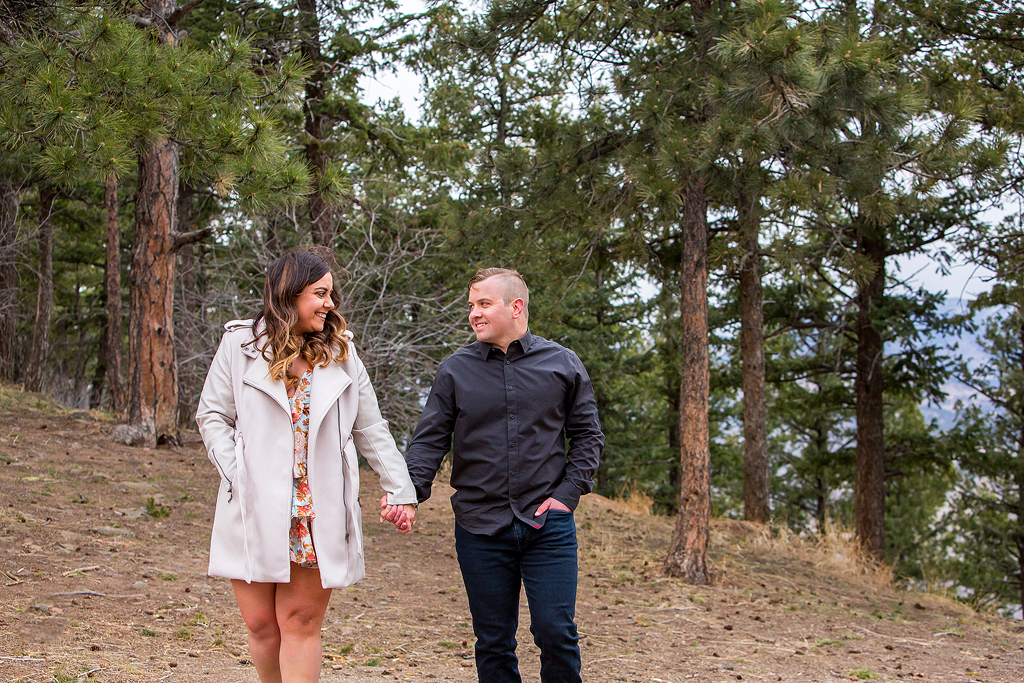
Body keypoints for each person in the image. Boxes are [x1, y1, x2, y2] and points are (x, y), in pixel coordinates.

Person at [196, 247, 417, 683]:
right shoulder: (239, 345)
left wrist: (401, 490)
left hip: (314, 512)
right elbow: (212, 416)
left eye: (330, 294)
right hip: (253, 505)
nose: (329, 304)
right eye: (320, 293)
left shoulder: (342, 354)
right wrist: (237, 473)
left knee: (298, 621)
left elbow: (371, 428)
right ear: (290, 294)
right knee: (261, 625)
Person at [386, 267, 604, 683]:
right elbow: (429, 441)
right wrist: (408, 494)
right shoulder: (454, 370)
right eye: (471, 306)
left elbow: (588, 436)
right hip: (479, 528)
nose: (474, 314)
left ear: (515, 306)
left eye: (483, 304)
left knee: (556, 634)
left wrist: (567, 495)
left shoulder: (562, 364)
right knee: (493, 642)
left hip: (548, 526)